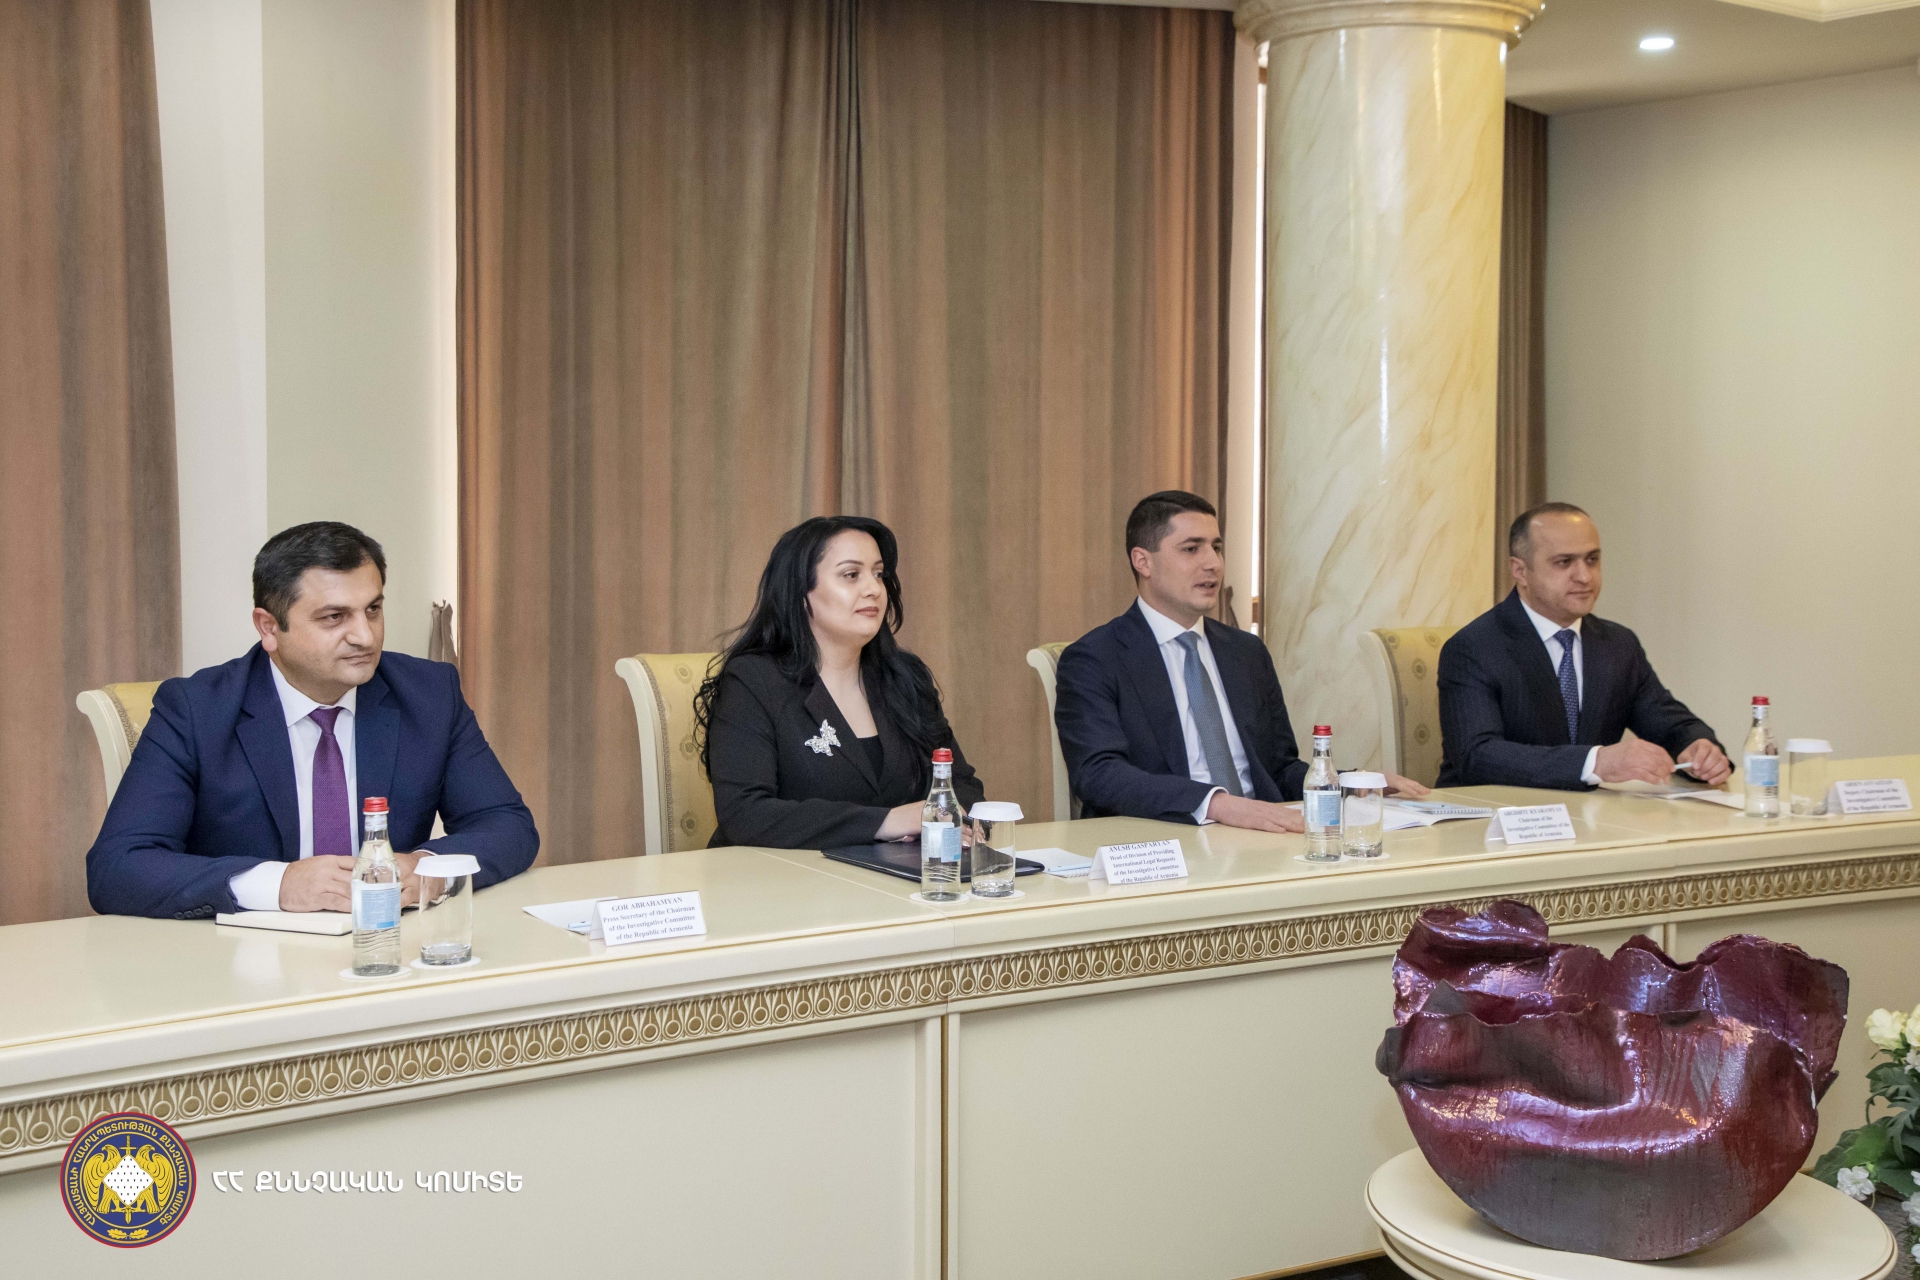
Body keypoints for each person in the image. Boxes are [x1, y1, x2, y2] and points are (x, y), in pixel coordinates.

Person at [87, 522, 539, 919]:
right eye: (334, 617)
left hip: (389, 943)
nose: (365, 636)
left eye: (373, 609)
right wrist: (279, 884)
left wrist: (427, 867)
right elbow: (118, 865)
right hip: (244, 961)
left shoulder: (428, 694)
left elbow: (507, 825)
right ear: (269, 627)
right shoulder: (196, 710)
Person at [1055, 491, 1428, 832]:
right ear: (1143, 562)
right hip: (1166, 841)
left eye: (1216, 548)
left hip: (1264, 837)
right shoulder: (1095, 658)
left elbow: (1279, 768)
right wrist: (1216, 804)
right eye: (1191, 549)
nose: (1213, 564)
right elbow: (1099, 774)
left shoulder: (1245, 652)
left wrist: (1349, 784)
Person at [697, 515, 984, 848]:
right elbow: (745, 813)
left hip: (897, 874)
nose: (873, 589)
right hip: (778, 876)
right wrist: (886, 822)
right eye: (851, 575)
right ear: (801, 592)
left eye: (878, 574)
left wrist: (960, 819)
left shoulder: (905, 678)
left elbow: (960, 782)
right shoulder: (754, 680)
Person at [1436, 502, 1731, 790]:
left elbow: (1669, 723)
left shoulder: (1618, 644)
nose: (1584, 576)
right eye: (1564, 563)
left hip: (1588, 815)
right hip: (1492, 814)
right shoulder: (1473, 648)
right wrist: (1595, 763)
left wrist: (1698, 748)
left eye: (1592, 560)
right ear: (1520, 571)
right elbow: (1477, 754)